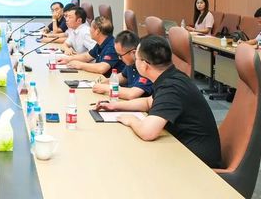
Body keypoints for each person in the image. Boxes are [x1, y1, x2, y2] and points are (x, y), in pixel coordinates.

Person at [95, 35, 222, 168]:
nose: (135, 62)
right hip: (181, 148)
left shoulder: (171, 87)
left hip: (197, 163)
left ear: (145, 65)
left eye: (136, 58)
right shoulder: (170, 77)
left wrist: (131, 120)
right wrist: (115, 106)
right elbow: (148, 102)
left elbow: (147, 132)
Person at [92, 30, 153, 99]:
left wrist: (105, 88)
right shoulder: (130, 63)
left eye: (120, 55)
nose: (119, 58)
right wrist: (105, 82)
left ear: (133, 53)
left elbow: (132, 94)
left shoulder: (145, 67)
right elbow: (123, 76)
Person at [58, 16, 123, 77]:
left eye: (91, 28)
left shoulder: (112, 46)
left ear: (97, 31)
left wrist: (80, 65)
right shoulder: (101, 43)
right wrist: (67, 59)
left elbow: (102, 68)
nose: (89, 30)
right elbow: (87, 56)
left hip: (113, 82)